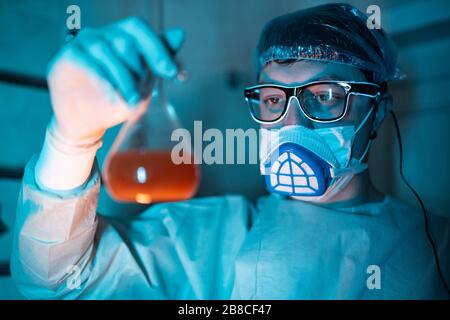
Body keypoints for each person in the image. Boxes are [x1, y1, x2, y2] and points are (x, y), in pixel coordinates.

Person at [11, 3, 449, 299]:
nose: (293, 123)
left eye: (327, 94)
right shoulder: (217, 235)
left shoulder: (436, 252)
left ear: (377, 112)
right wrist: (70, 140)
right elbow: (57, 281)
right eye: (274, 100)